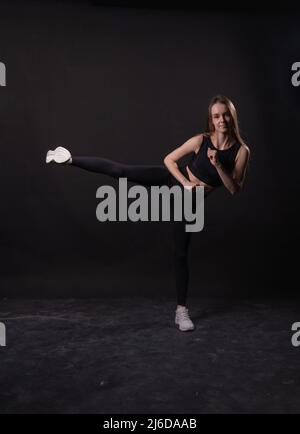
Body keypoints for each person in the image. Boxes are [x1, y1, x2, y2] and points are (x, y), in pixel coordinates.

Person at [46, 94, 250, 332]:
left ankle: (181, 312)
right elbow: (169, 160)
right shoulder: (200, 141)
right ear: (211, 120)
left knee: (180, 254)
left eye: (225, 114)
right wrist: (184, 182)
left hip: (187, 203)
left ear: (231, 116)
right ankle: (69, 158)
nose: (221, 120)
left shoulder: (241, 151)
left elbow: (234, 188)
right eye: (216, 116)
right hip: (172, 181)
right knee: (122, 171)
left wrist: (216, 165)